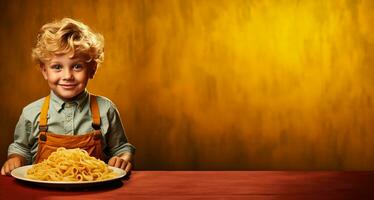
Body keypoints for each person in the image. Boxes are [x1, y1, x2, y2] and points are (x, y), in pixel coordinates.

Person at [1, 18, 135, 175]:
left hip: (94, 193)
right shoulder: (31, 112)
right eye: (57, 67)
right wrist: (16, 158)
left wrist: (123, 157)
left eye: (77, 66)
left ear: (92, 69)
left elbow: (121, 148)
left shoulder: (106, 109)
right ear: (44, 70)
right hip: (43, 191)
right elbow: (21, 148)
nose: (67, 76)